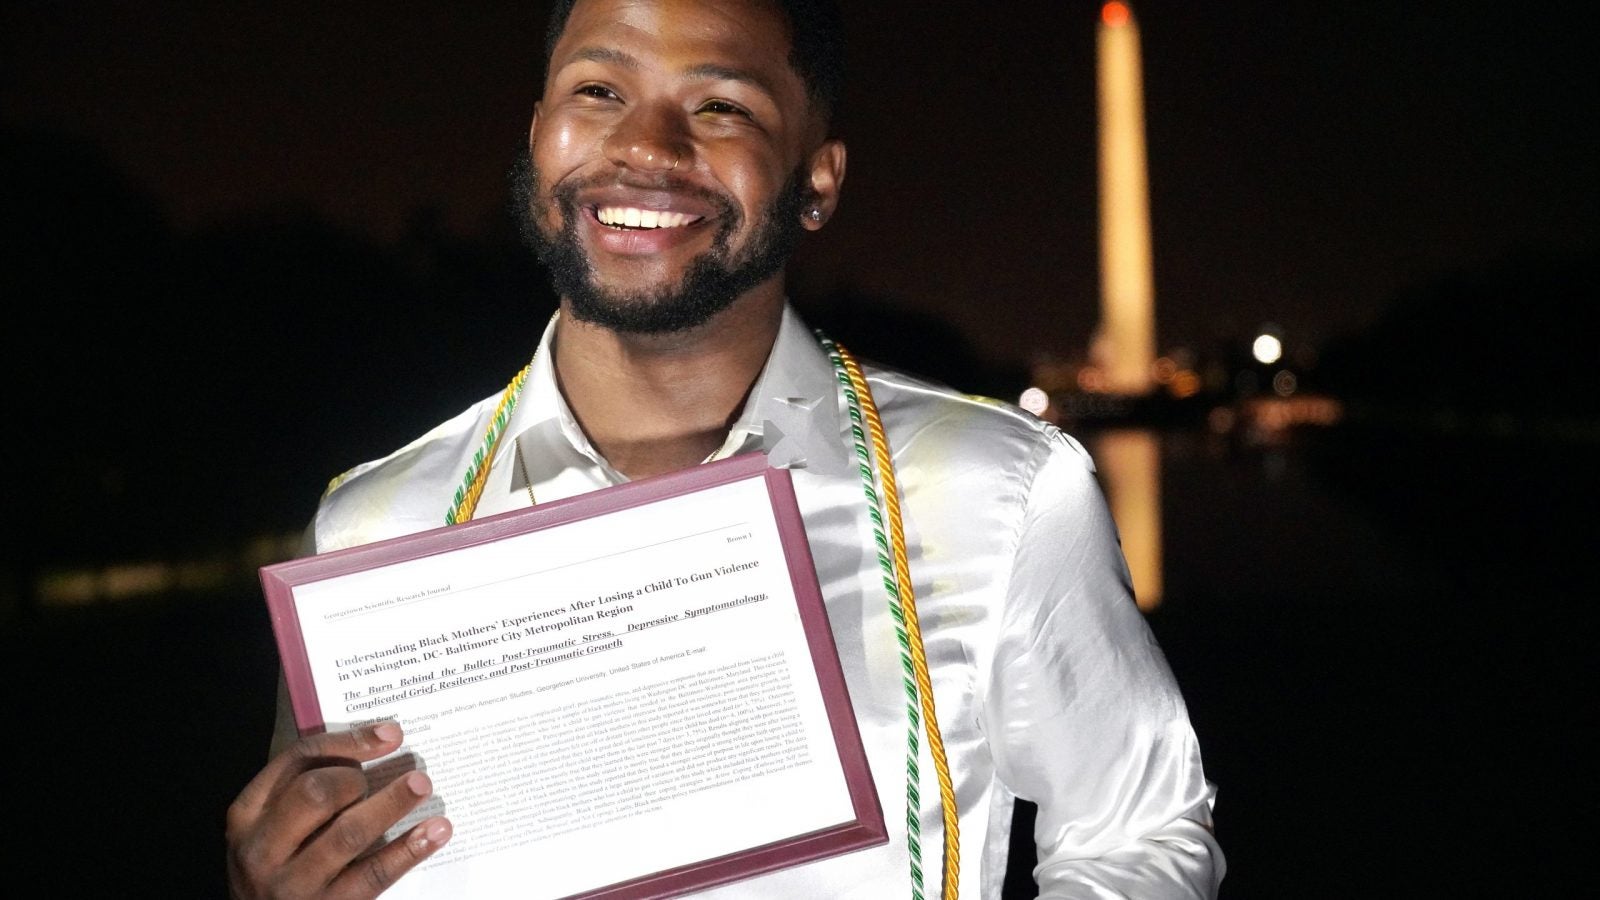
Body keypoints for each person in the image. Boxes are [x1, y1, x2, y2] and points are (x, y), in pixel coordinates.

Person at [225, 0, 1225, 897]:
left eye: (722, 108)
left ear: (817, 177)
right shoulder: (370, 529)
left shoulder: (995, 494)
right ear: (539, 136)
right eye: (599, 88)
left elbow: (1140, 829)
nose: (646, 147)